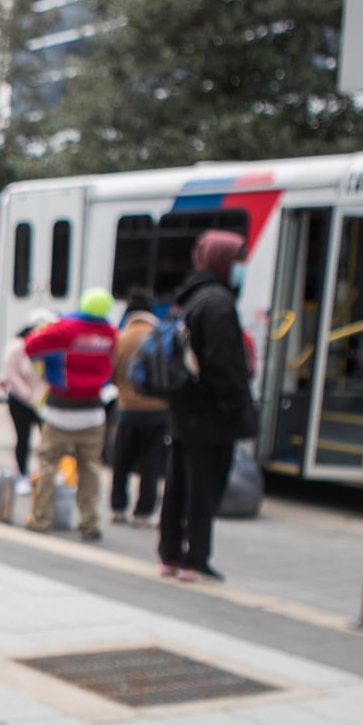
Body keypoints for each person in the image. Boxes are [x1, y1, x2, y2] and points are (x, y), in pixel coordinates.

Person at [161, 230, 253, 581]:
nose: (242, 268)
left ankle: (170, 554)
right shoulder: (218, 304)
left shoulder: (190, 298)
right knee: (203, 488)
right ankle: (194, 558)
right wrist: (235, 406)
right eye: (238, 260)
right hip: (211, 415)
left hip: (185, 409)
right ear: (222, 261)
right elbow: (224, 364)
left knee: (178, 484)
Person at [20, 287, 117, 541]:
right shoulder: (110, 333)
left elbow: (30, 346)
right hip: (93, 412)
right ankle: (90, 523)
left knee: (48, 465)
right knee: (90, 468)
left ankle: (40, 519)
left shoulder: (66, 329)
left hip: (59, 410)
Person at [109, 288, 169, 527]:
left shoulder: (121, 338)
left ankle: (118, 507)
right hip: (158, 411)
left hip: (127, 409)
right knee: (151, 464)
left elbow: (112, 374)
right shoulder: (161, 336)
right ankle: (143, 512)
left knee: (121, 460)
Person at [0, 310, 53, 487]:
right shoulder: (17, 347)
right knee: (23, 439)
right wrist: (29, 396)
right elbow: (11, 375)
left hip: (42, 402)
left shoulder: (50, 347)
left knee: (48, 442)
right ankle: (22, 475)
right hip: (20, 401)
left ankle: (47, 478)